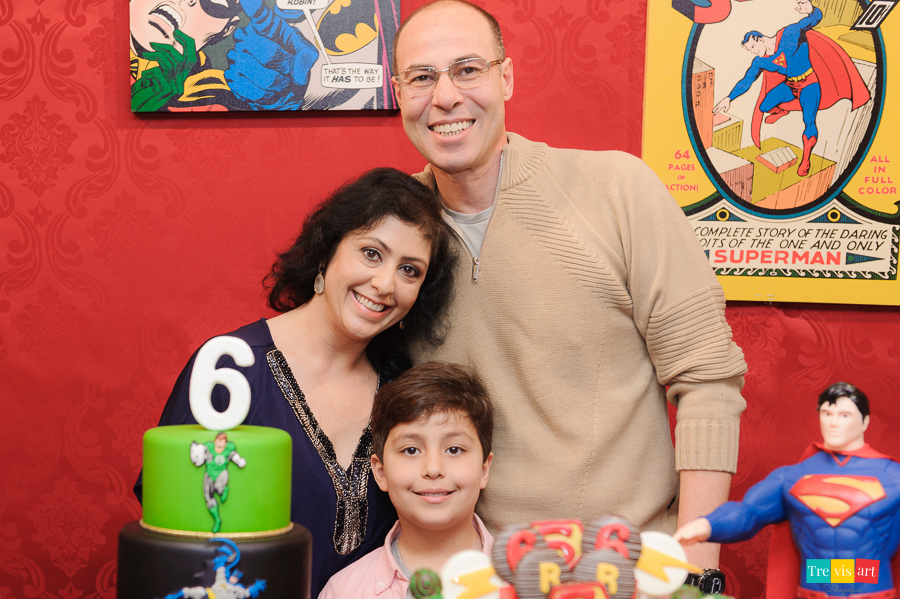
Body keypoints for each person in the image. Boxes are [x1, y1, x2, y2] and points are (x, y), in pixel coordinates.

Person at [390, 0, 748, 569]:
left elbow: (708, 380)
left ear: (505, 76)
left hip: (630, 569)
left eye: (467, 69)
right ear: (398, 92)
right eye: (422, 77)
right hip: (472, 573)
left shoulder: (617, 190)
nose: (445, 97)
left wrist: (695, 570)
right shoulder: (390, 236)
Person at [134, 167, 457, 598]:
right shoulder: (228, 371)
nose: (384, 284)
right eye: (371, 253)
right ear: (327, 252)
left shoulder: (404, 390)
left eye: (410, 271)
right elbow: (173, 532)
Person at [674, 382, 900, 598]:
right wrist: (707, 525)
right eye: (827, 414)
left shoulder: (893, 476)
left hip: (873, 592)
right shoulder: (792, 477)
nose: (834, 423)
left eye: (844, 416)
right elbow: (748, 513)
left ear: (865, 421)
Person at [319, 361, 495, 599]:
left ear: (484, 469)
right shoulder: (344, 591)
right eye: (411, 450)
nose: (433, 469)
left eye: (454, 449)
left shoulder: (532, 581)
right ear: (381, 473)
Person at [712, 0, 870, 176]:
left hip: (810, 83)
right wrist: (729, 98)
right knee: (765, 106)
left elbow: (815, 19)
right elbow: (747, 80)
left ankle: (806, 159)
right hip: (790, 85)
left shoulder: (790, 32)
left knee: (809, 120)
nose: (753, 51)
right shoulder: (760, 61)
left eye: (753, 47)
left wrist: (812, 10)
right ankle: (782, 111)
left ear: (759, 38)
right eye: (750, 50)